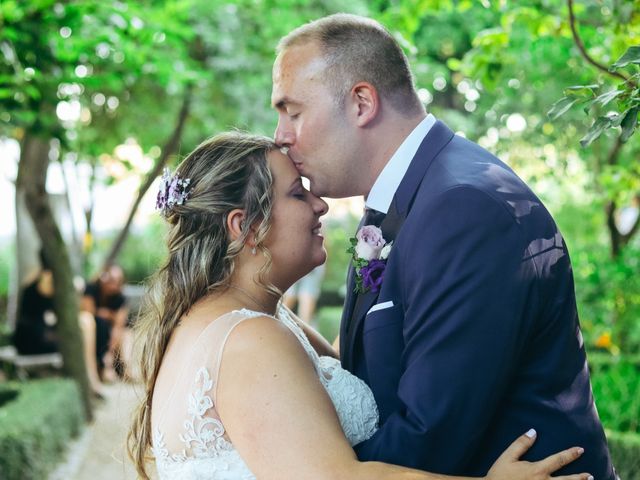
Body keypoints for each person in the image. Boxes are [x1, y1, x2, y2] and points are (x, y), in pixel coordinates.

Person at [127, 132, 591, 480]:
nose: (320, 204)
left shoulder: (251, 321)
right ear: (244, 227)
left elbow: (356, 371)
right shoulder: (250, 339)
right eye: (297, 193)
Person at [271, 13, 616, 479]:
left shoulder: (462, 209)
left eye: (293, 112)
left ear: (360, 103)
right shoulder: (405, 202)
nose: (281, 136)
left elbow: (429, 438)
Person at [13, 250, 104, 395]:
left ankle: (91, 378)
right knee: (85, 326)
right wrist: (74, 288)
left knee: (87, 322)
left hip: (43, 334)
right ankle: (91, 379)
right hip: (35, 339)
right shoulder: (47, 279)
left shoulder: (42, 277)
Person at [81, 264, 128, 381]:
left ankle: (114, 366)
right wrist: (106, 315)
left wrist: (110, 353)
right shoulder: (91, 288)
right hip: (92, 328)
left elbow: (119, 324)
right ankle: (99, 368)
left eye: (118, 281)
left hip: (109, 332)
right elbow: (87, 312)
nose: (114, 284)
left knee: (125, 331)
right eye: (111, 280)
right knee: (100, 325)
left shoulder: (120, 298)